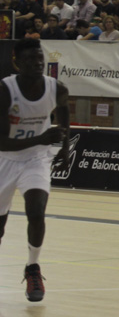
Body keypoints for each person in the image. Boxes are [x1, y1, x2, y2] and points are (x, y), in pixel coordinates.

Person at [0, 38, 71, 302]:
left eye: (40, 58)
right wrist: (42, 138)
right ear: (17, 62)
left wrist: (63, 147)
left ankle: (33, 267)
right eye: (30, 59)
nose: (37, 63)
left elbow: (63, 113)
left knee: (37, 212)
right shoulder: (5, 91)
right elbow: (2, 141)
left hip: (36, 160)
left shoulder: (57, 88)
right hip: (4, 158)